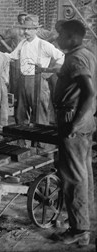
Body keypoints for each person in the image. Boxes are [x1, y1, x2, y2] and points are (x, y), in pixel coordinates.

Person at [51, 20, 95, 246]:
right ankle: (82, 222)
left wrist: (74, 124)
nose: (57, 39)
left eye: (61, 36)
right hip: (84, 121)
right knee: (83, 172)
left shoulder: (76, 58)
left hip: (73, 120)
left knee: (73, 175)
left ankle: (79, 229)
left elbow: (88, 93)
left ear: (72, 38)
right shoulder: (87, 53)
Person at [7, 14, 64, 128]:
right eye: (24, 29)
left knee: (39, 115)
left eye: (29, 29)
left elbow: (61, 56)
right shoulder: (22, 43)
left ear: (36, 30)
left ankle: (40, 144)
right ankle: (21, 141)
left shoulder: (43, 44)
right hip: (23, 81)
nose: (26, 32)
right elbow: (12, 56)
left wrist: (48, 72)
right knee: (21, 114)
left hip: (38, 83)